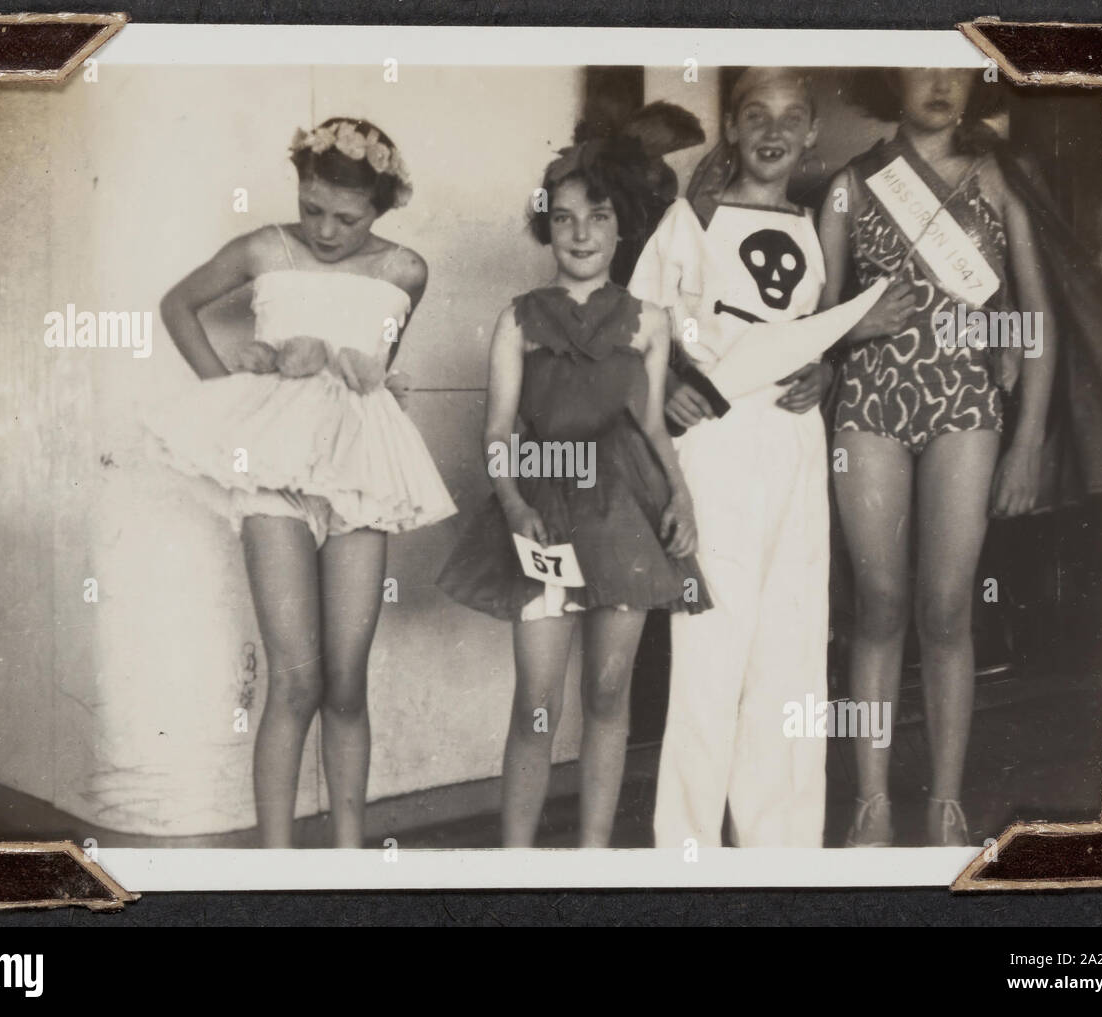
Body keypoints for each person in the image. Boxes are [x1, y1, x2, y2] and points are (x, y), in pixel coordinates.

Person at [144, 117, 456, 847]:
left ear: (381, 208)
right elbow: (176, 305)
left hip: (359, 477)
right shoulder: (263, 248)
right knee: (296, 678)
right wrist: (228, 397)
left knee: (346, 680)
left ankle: (349, 858)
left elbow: (372, 370)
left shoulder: (405, 269)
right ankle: (277, 866)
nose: (323, 229)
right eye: (312, 208)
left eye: (346, 218)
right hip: (273, 476)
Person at [629, 67, 907, 848]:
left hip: (792, 443)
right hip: (717, 443)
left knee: (790, 644)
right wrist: (669, 389)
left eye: (791, 118)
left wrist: (824, 371)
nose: (774, 131)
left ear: (812, 133)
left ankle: (780, 846)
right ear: (734, 130)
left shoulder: (816, 227)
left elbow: (810, 333)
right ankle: (687, 847)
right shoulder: (692, 219)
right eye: (756, 115)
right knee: (713, 647)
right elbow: (641, 326)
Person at [821, 68, 1070, 846]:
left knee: (946, 608)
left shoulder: (997, 178)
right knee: (880, 603)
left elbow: (1035, 317)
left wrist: (1028, 438)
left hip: (965, 406)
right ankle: (870, 803)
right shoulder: (850, 183)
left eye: (956, 71)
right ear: (886, 81)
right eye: (921, 69)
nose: (939, 84)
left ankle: (946, 802)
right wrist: (855, 329)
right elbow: (812, 326)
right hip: (869, 406)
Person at [437, 139, 709, 847]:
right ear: (546, 227)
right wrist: (514, 504)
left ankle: (592, 859)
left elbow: (652, 423)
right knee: (536, 699)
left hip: (624, 511)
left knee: (609, 693)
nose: (581, 233)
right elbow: (498, 428)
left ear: (624, 227)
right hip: (546, 511)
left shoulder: (650, 321)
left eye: (598, 216)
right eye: (563, 219)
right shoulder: (519, 317)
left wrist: (680, 496)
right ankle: (518, 860)